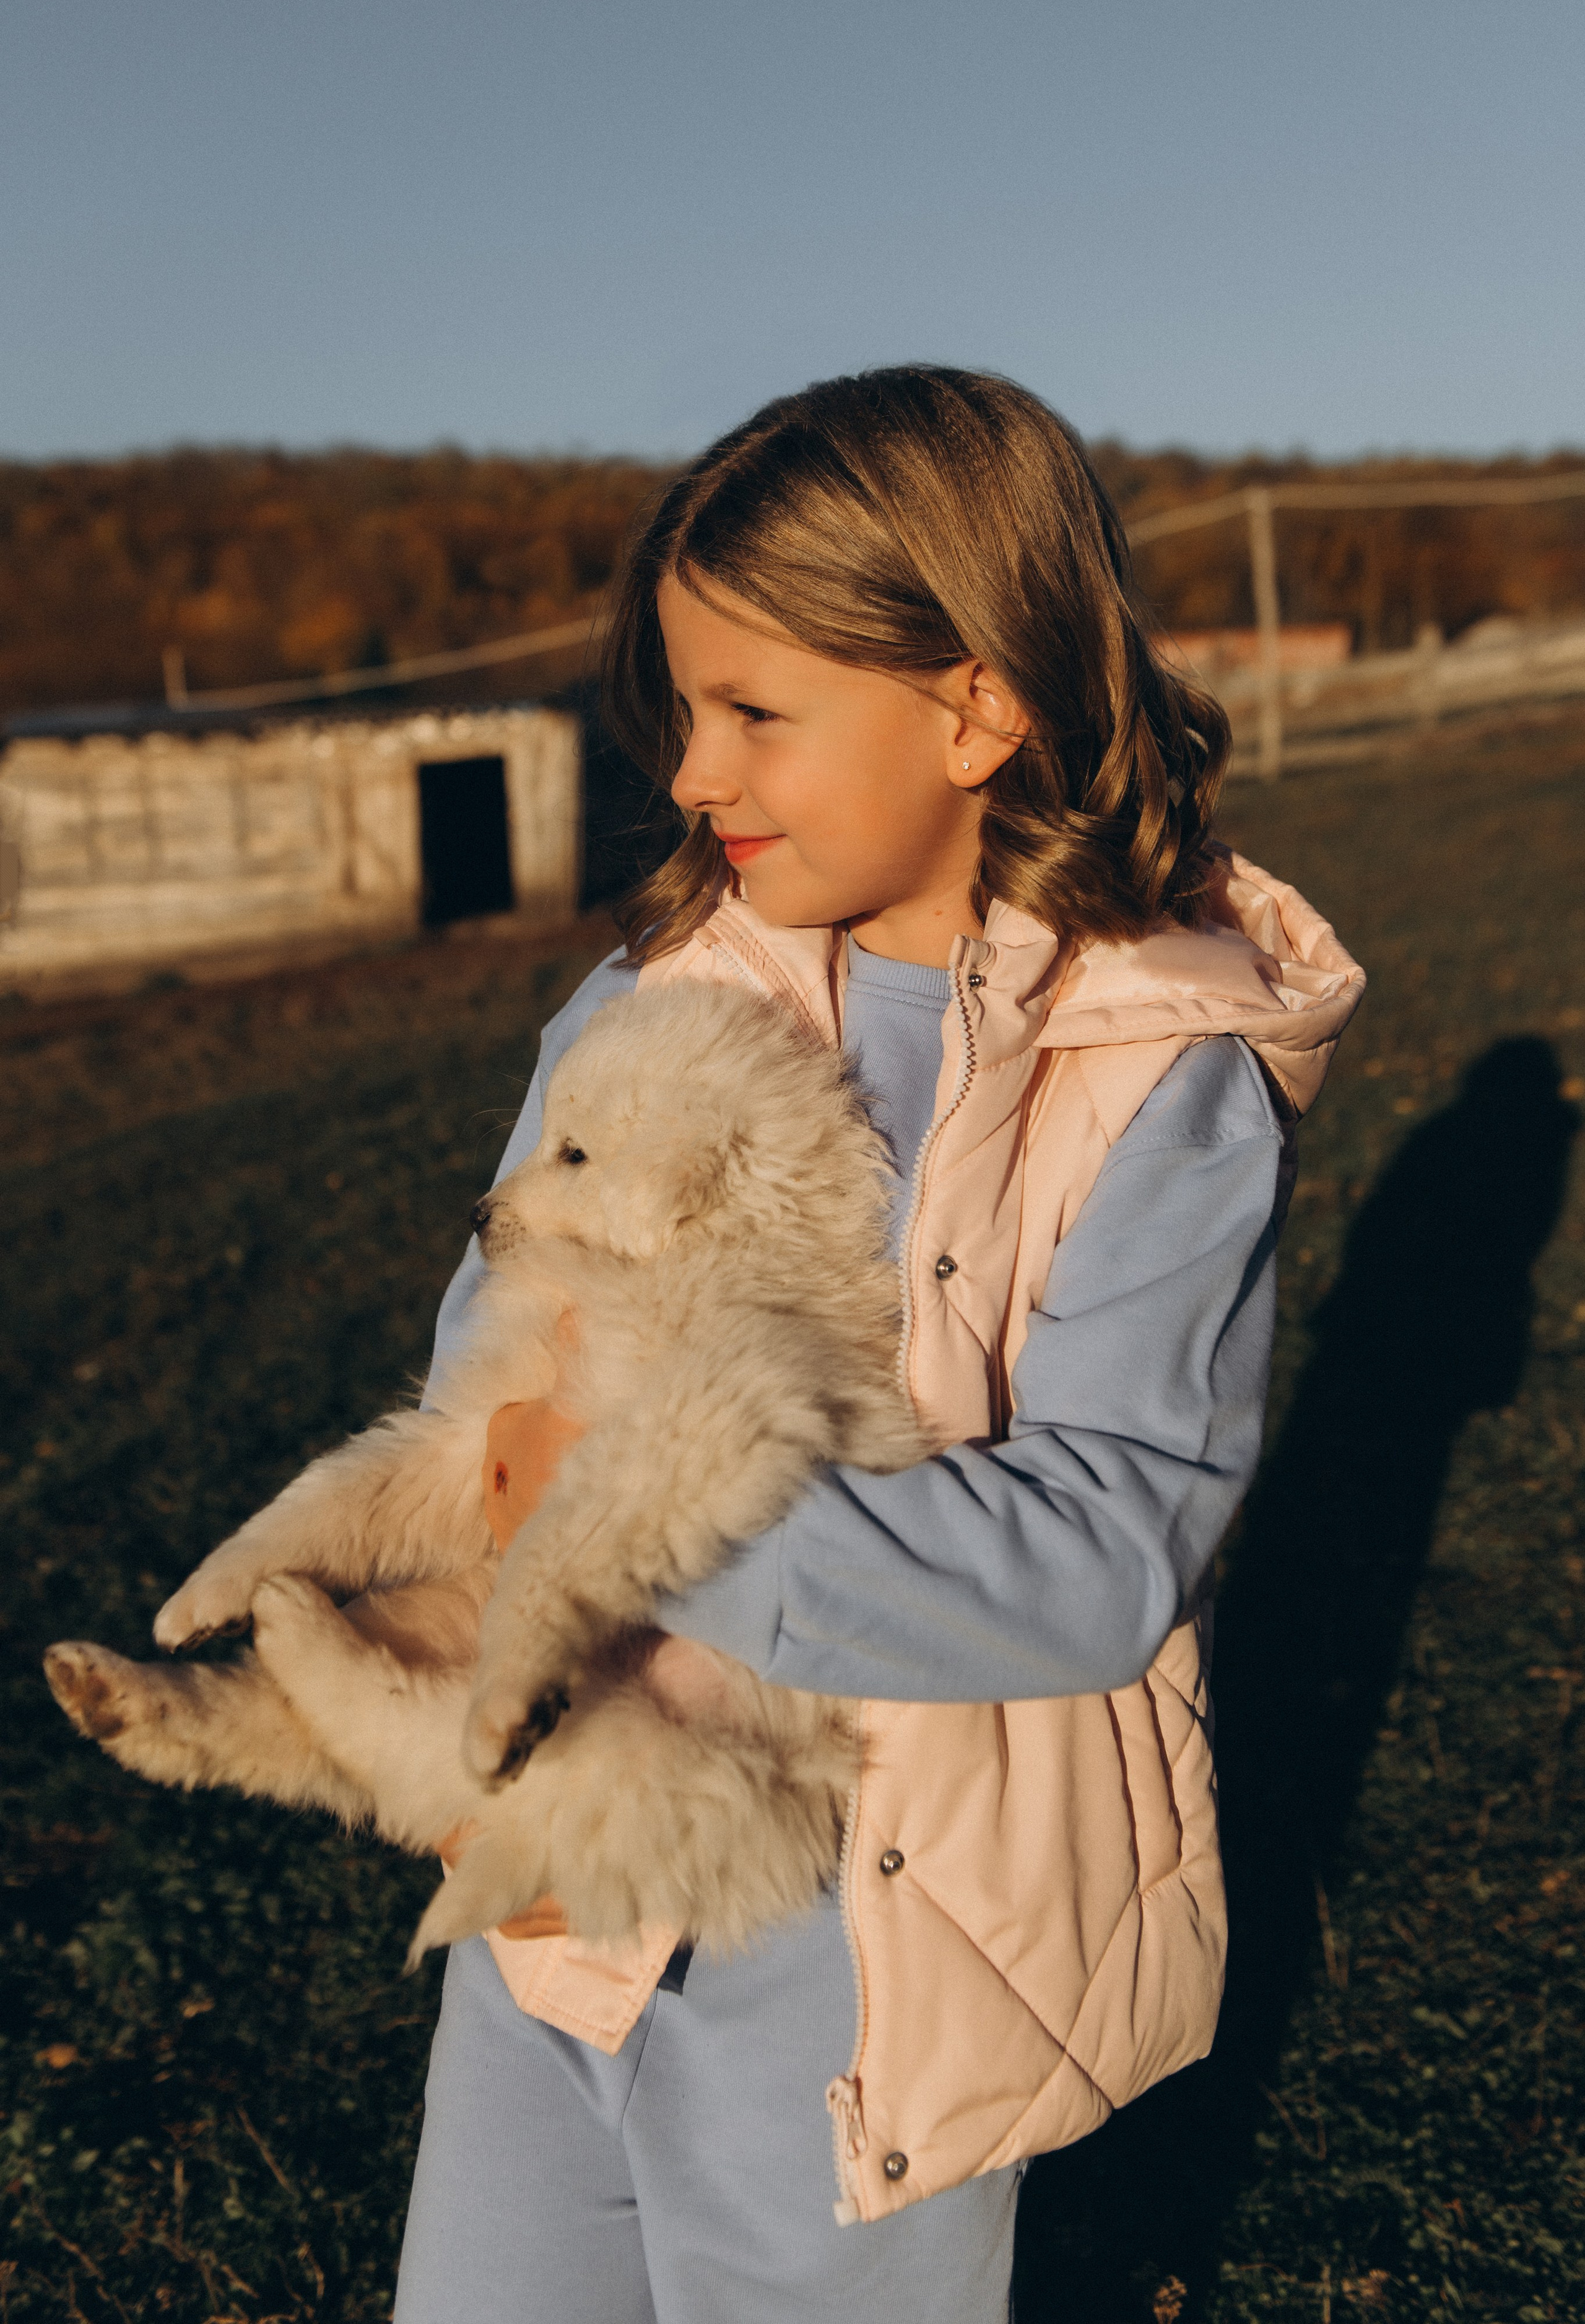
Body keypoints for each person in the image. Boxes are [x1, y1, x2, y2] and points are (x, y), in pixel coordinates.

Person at [392, 367, 1365, 2324]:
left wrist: (653, 1520)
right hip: (564, 1912)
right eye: (682, 711)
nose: (691, 773)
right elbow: (492, 1371)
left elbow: (1101, 1550)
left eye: (757, 711)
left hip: (873, 1979)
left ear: (982, 702)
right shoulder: (652, 994)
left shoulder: (1164, 1079)